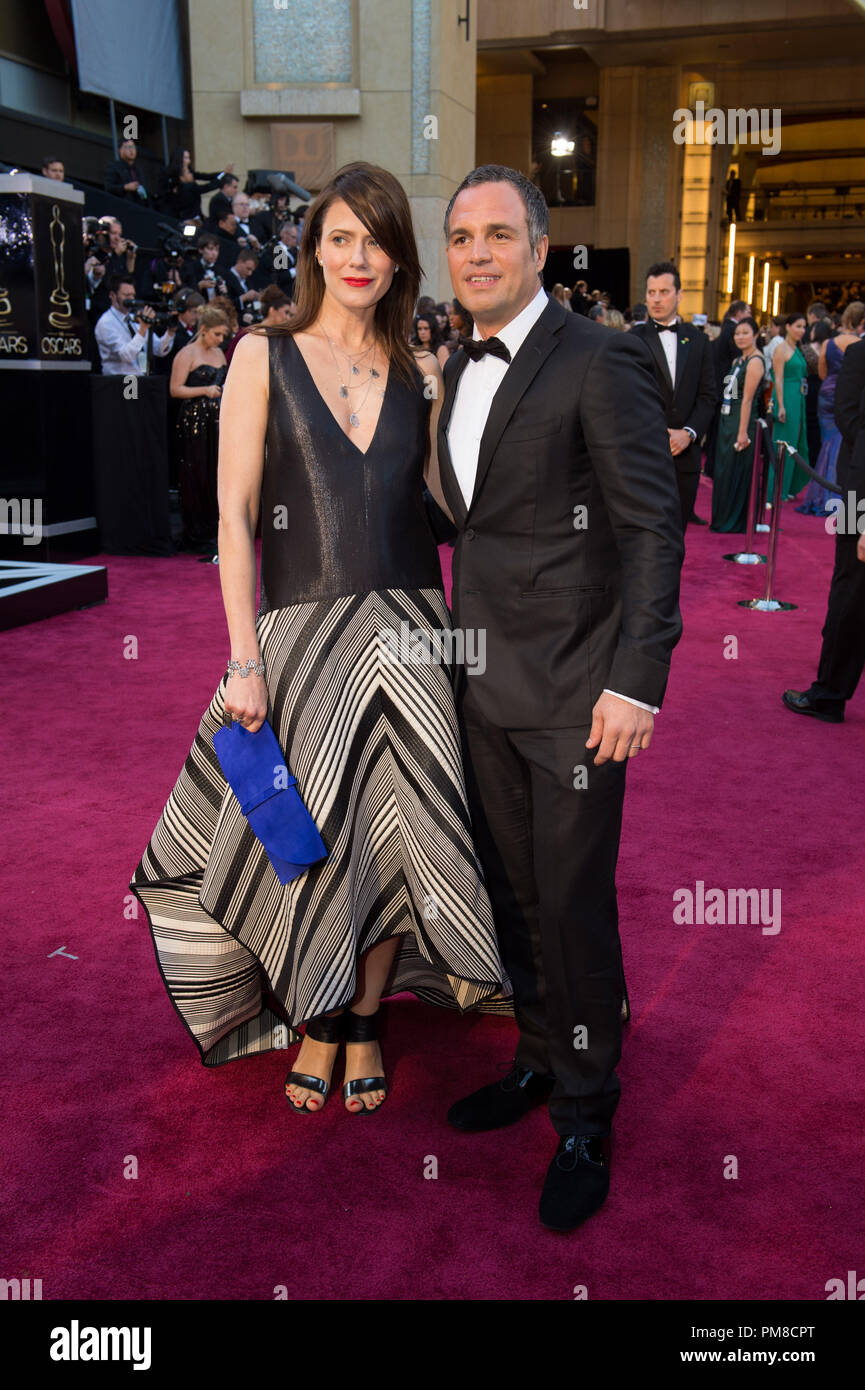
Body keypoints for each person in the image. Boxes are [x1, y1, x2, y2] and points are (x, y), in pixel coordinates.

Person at [129, 160, 510, 1118]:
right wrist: (243, 658)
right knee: (318, 838)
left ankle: (366, 1016)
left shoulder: (421, 372)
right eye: (339, 237)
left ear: (397, 264)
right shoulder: (263, 352)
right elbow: (232, 518)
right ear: (312, 250)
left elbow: (445, 510)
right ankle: (318, 1014)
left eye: (375, 241)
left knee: (395, 836)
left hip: (415, 635)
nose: (356, 256)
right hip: (301, 636)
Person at [437, 164, 683, 1232]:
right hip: (482, 683)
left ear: (540, 249)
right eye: (459, 236)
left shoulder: (600, 356)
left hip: (581, 694)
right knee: (515, 892)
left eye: (497, 234)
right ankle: (539, 1055)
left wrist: (638, 679)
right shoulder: (454, 365)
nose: (477, 252)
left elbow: (650, 528)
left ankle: (588, 1106)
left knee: (573, 904)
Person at [783, 338, 865, 722]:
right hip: (859, 495)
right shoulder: (859, 354)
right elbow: (850, 421)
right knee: (848, 589)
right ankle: (830, 693)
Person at [630, 260, 717, 532]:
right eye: (651, 292)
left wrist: (688, 432)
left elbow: (708, 396)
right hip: (644, 455)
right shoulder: (631, 339)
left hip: (685, 457)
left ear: (679, 295)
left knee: (677, 536)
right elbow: (625, 397)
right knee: (642, 536)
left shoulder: (699, 341)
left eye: (664, 292)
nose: (656, 299)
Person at [169, 302, 229, 557]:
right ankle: (197, 532)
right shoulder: (187, 354)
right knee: (197, 474)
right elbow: (175, 389)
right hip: (193, 421)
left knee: (217, 474)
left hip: (217, 421)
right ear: (203, 330)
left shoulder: (220, 354)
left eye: (223, 335)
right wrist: (205, 391)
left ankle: (218, 530)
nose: (221, 339)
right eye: (217, 334)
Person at [797, 303, 865, 516]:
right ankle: (835, 497)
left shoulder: (830, 342)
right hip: (851, 397)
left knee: (828, 441)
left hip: (827, 394)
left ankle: (820, 494)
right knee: (842, 443)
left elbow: (822, 372)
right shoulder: (858, 344)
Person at [710, 316, 765, 532]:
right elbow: (729, 394)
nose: (740, 337)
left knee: (737, 469)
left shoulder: (756, 362)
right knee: (724, 471)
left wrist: (742, 432)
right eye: (737, 334)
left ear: (756, 335)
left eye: (745, 333)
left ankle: (736, 521)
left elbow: (748, 400)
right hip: (728, 419)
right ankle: (723, 517)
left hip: (742, 422)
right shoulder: (737, 361)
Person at [93, 274, 175, 374]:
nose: (132, 299)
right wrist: (142, 330)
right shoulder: (106, 323)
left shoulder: (134, 319)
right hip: (118, 383)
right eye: (127, 296)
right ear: (112, 295)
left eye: (133, 295)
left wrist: (170, 332)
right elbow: (126, 356)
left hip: (141, 380)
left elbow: (159, 350)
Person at [770, 312, 811, 500]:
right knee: (783, 445)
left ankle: (785, 489)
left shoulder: (796, 348)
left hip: (798, 399)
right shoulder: (781, 349)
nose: (802, 330)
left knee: (795, 444)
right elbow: (777, 379)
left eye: (804, 327)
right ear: (788, 327)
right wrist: (781, 406)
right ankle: (775, 491)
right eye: (798, 326)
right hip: (786, 398)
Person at [157, 148, 232, 222]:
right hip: (177, 217)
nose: (189, 161)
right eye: (186, 158)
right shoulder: (175, 181)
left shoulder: (189, 184)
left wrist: (223, 174)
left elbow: (205, 177)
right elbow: (207, 187)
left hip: (192, 216)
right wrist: (222, 177)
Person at [104, 138, 149, 204]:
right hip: (122, 206)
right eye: (128, 147)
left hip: (139, 207)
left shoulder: (138, 170)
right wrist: (125, 187)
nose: (131, 150)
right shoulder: (114, 167)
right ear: (120, 150)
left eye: (133, 147)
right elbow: (109, 187)